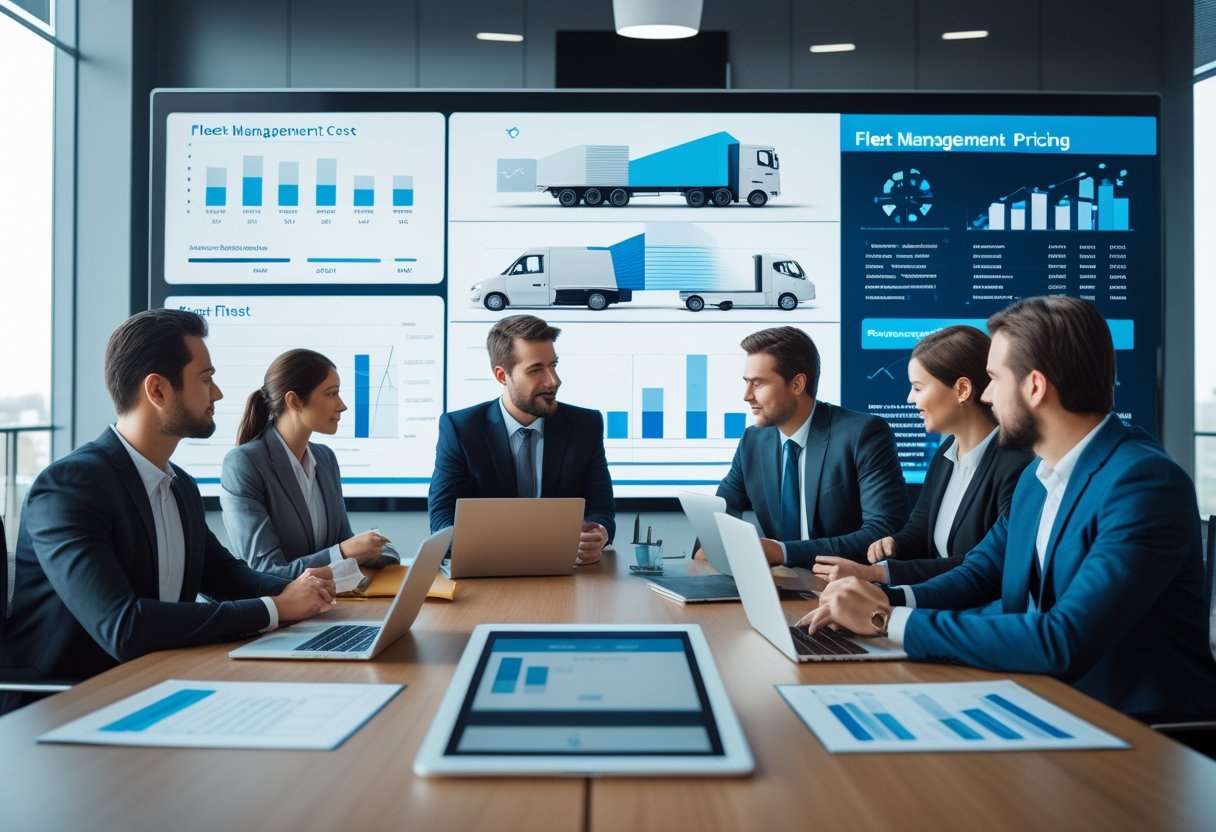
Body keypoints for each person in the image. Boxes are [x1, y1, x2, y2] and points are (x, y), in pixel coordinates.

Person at [800, 296, 1216, 719]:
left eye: (995, 378)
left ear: (1034, 387)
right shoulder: (1038, 477)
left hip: (1137, 731)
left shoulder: (1142, 484)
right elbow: (980, 573)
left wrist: (885, 621)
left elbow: (1063, 639)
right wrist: (879, 597)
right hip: (1041, 698)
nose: (986, 394)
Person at [0, 310, 336, 711]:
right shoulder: (70, 487)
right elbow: (123, 626)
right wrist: (274, 608)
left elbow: (224, 575)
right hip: (68, 707)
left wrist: (299, 589)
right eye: (206, 379)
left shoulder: (178, 485)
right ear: (157, 391)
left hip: (156, 686)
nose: (218, 395)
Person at [813, 326, 1032, 586]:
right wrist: (894, 544)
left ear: (962, 390)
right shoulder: (946, 452)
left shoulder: (1017, 464)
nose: (909, 399)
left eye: (918, 388)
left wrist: (879, 574)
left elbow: (985, 566)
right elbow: (920, 528)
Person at [427, 314, 615, 563]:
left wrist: (599, 534)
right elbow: (442, 518)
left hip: (566, 574)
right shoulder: (460, 429)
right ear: (502, 376)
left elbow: (600, 509)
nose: (553, 380)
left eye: (553, 365)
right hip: (487, 574)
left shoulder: (585, 425)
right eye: (536, 369)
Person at [715, 326, 908, 568]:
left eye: (758, 384)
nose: (746, 395)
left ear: (797, 385)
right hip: (781, 585)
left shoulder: (864, 434)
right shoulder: (753, 441)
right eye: (746, 383)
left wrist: (783, 552)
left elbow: (882, 530)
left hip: (847, 587)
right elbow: (724, 508)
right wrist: (709, 546)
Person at [220, 349, 390, 578]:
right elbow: (266, 572)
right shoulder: (244, 463)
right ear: (294, 401)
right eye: (331, 394)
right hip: (279, 610)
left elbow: (344, 542)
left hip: (328, 605)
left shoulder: (326, 459)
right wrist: (342, 552)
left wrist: (374, 550)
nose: (342, 405)